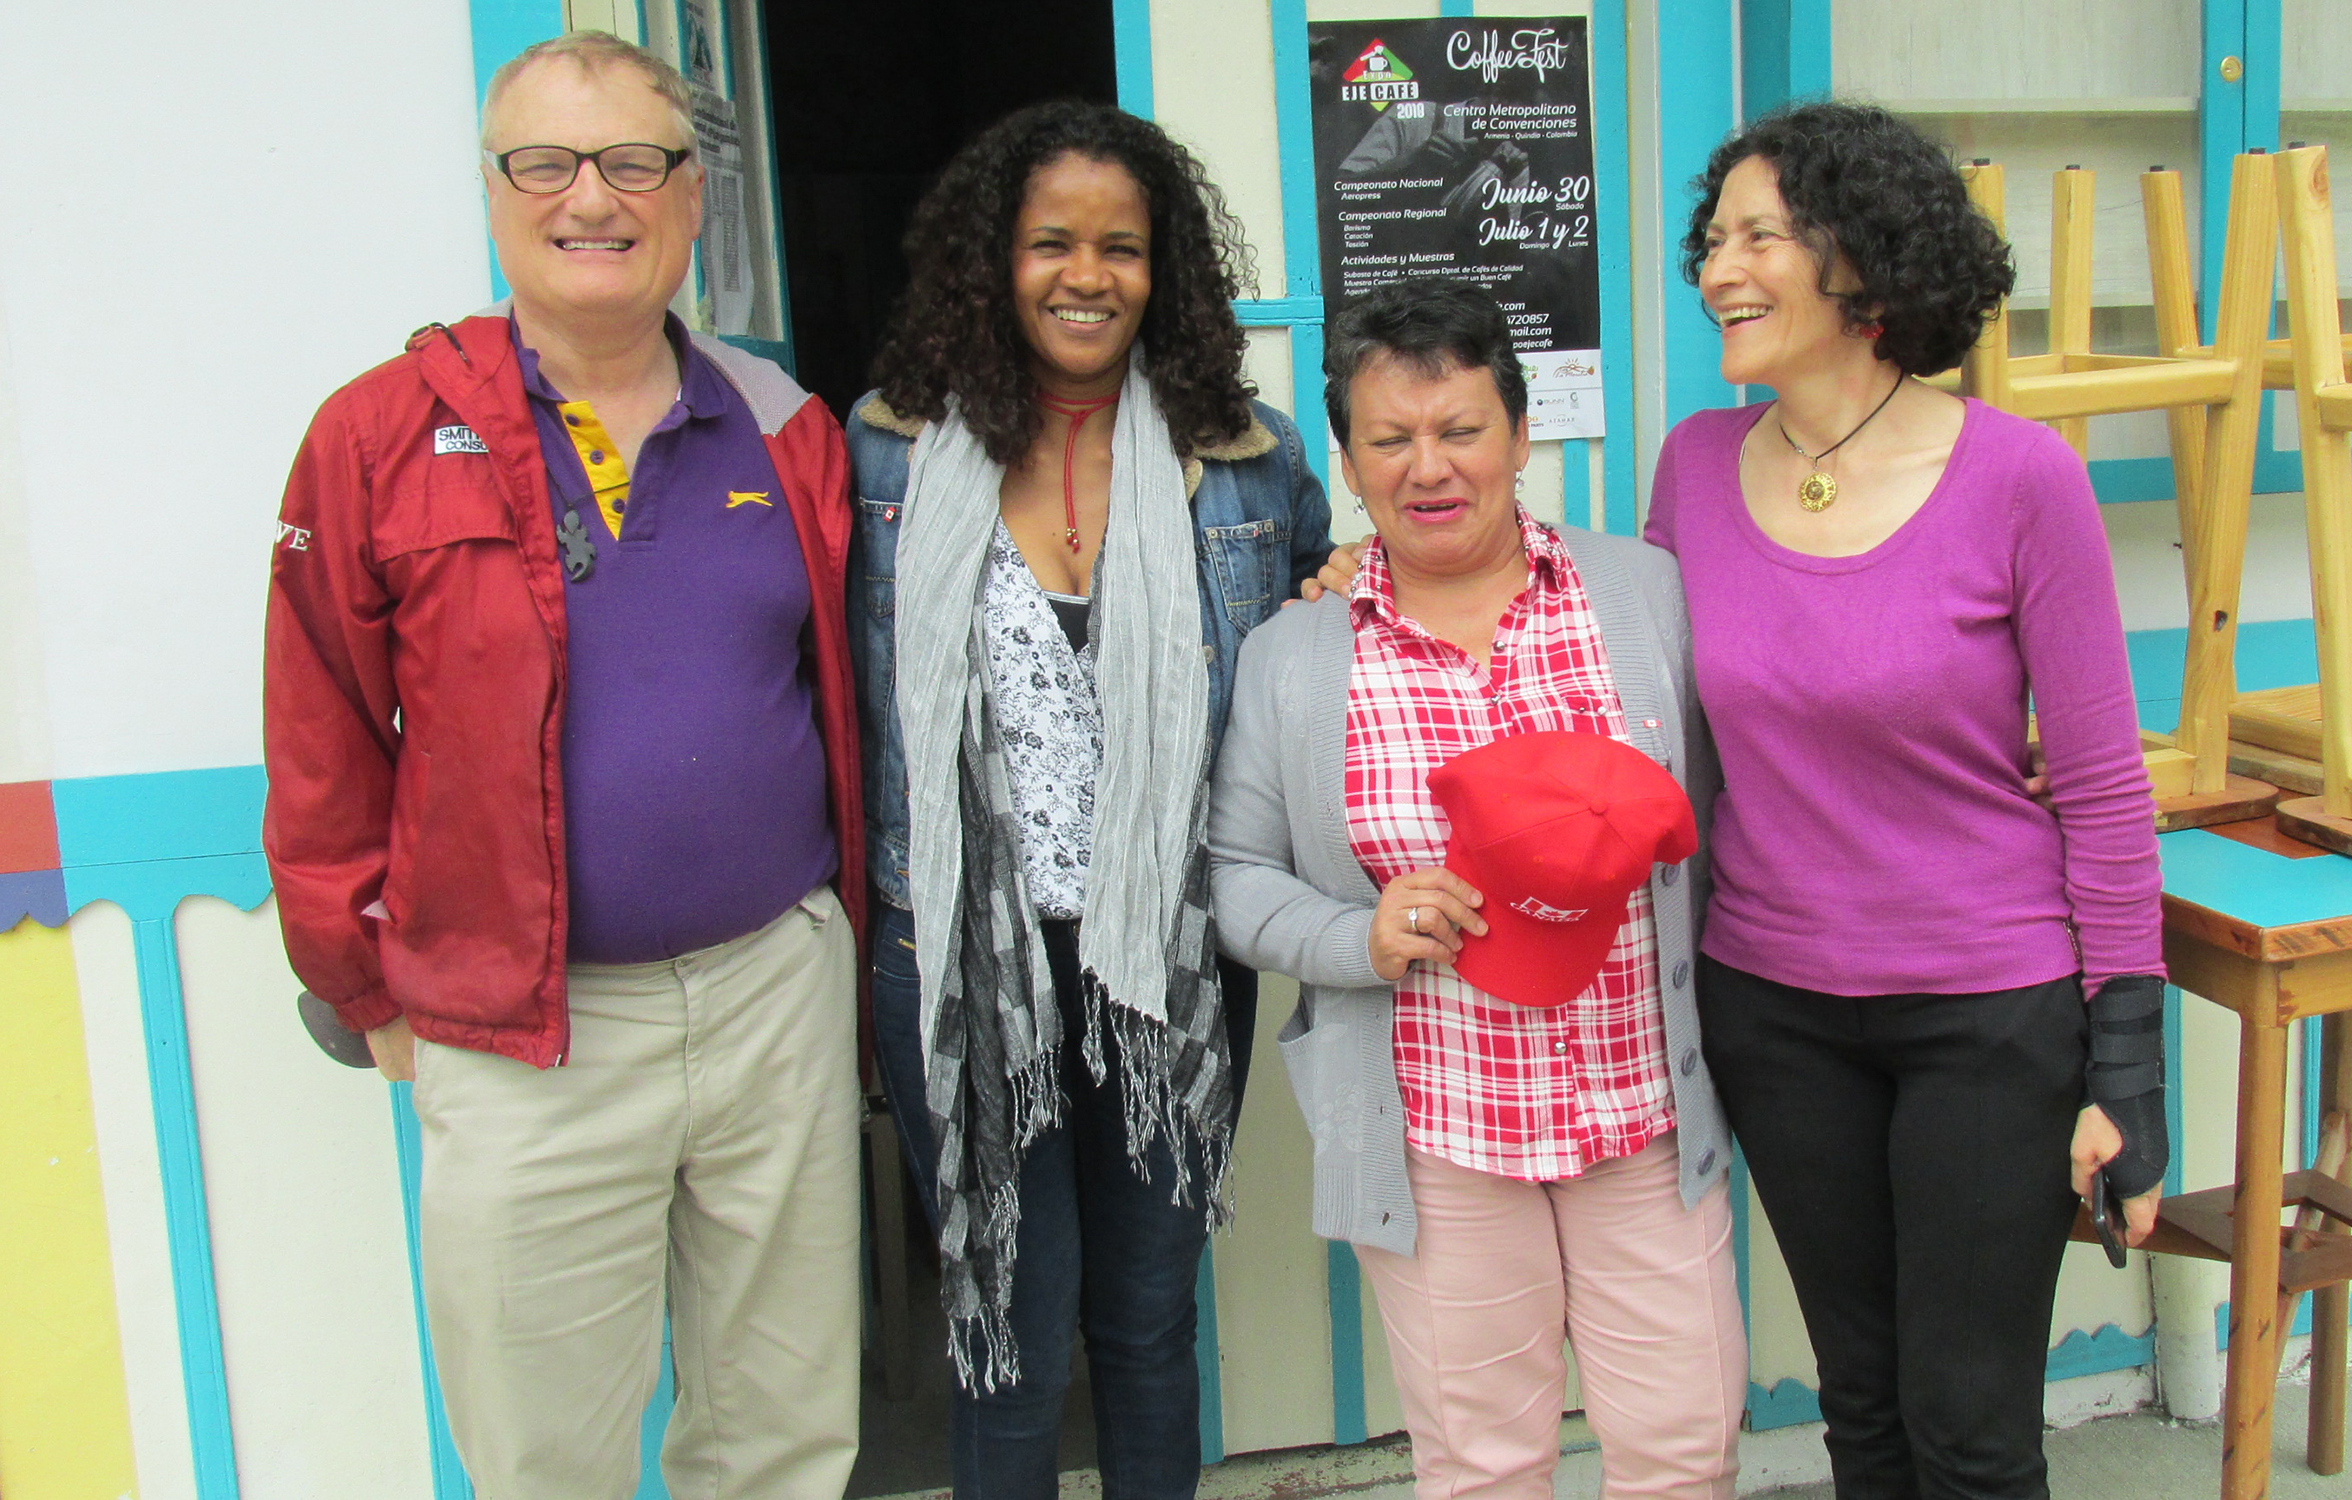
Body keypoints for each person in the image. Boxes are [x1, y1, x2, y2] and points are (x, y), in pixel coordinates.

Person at [264, 32, 866, 1499]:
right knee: (547, 1454)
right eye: (546, 161)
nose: (589, 196)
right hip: (522, 1029)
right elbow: (320, 730)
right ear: (493, 191)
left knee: (782, 1429)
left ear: (691, 197)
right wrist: (364, 989)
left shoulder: (784, 426)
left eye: (633, 161)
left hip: (772, 996)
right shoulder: (380, 435)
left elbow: (840, 687)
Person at [1649, 102, 2169, 1499]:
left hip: (1987, 1019)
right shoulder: (1694, 468)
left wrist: (2127, 1062)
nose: (1717, 270)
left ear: (1862, 264)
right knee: (1863, 1410)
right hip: (1772, 1007)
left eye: (1760, 235)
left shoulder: (2019, 478)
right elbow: (1614, 679)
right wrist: (1365, 577)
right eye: (1712, 240)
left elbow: (2108, 787)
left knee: (1972, 1426)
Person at [847, 100, 1334, 1499]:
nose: (1086, 274)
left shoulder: (1244, 456)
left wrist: (1345, 589)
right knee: (1007, 1323)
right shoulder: (887, 452)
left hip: (1165, 957)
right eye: (1050, 241)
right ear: (989, 260)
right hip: (954, 950)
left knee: (1142, 1321)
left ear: (1162, 269)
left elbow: (1309, 639)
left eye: (1122, 247)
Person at [1210, 277, 1745, 1499]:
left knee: (1682, 1446)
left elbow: (1740, 789)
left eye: (1460, 429)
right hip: (1436, 1135)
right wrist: (1359, 932)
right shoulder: (1296, 655)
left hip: (1639, 1120)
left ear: (1518, 432)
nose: (1428, 467)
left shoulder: (1642, 594)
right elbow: (1233, 879)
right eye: (1389, 440)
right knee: (1481, 1465)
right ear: (1346, 460)